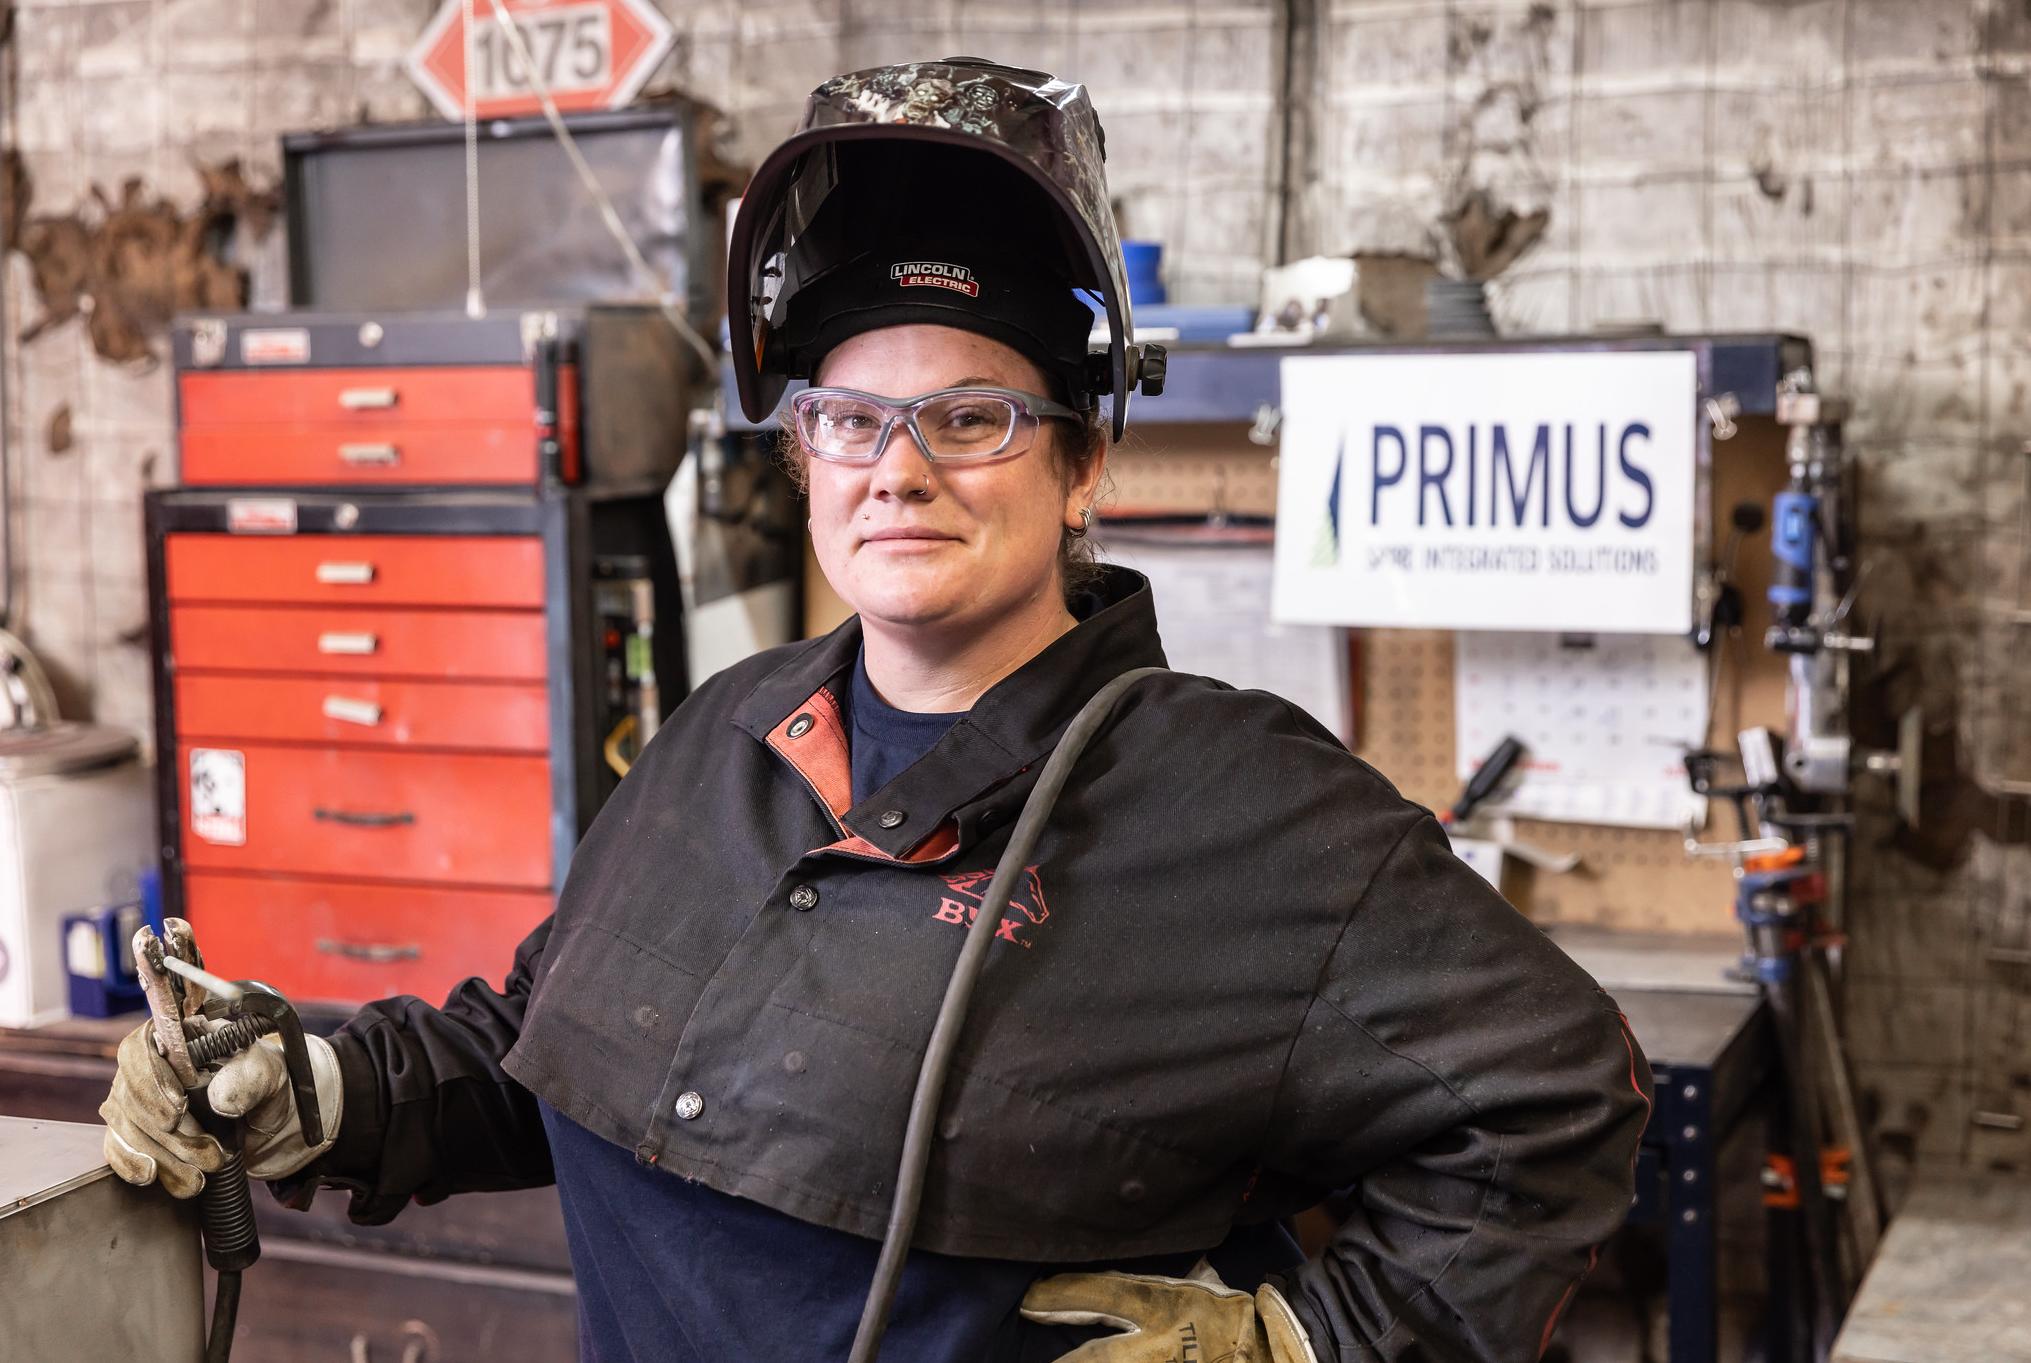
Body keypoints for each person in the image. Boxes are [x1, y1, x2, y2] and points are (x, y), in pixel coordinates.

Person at [101, 59, 1650, 1362]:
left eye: (970, 418)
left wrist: (1310, 1342)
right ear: (803, 454)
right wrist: (316, 1086)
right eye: (847, 417)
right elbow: (546, 1037)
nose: (896, 468)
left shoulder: (1237, 810)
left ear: (1084, 462)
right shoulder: (724, 735)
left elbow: (1556, 1101)